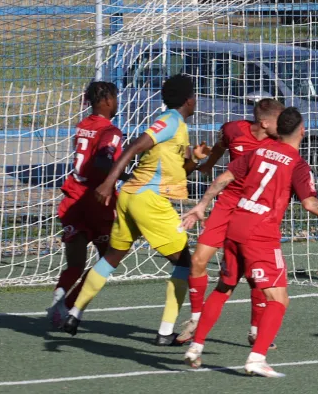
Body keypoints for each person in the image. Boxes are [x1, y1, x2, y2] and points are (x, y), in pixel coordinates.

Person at [179, 107, 318, 377]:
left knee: (224, 287)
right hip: (260, 233)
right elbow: (310, 203)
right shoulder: (297, 164)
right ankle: (256, 357)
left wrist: (201, 205)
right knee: (279, 299)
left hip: (236, 225)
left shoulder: (259, 151)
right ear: (301, 131)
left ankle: (196, 348)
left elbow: (224, 178)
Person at [62, 75, 210, 345]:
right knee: (184, 262)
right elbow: (133, 146)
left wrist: (196, 157)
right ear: (190, 99)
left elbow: (186, 169)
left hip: (132, 198)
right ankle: (165, 332)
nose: (196, 100)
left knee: (112, 256)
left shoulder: (180, 127)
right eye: (195, 96)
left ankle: (74, 314)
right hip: (147, 199)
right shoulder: (169, 121)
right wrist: (108, 183)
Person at [175, 98, 285, 345]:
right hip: (227, 203)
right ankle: (195, 319)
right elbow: (221, 146)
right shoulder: (233, 129)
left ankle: (256, 329)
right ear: (264, 122)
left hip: (254, 211)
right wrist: (208, 166)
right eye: (281, 120)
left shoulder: (280, 142)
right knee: (198, 260)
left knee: (254, 273)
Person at [48, 81, 124, 327]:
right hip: (97, 202)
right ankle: (70, 307)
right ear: (108, 101)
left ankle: (58, 301)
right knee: (109, 258)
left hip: (73, 199)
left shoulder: (83, 126)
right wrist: (126, 175)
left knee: (76, 264)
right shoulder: (110, 131)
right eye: (116, 97)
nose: (117, 102)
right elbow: (103, 161)